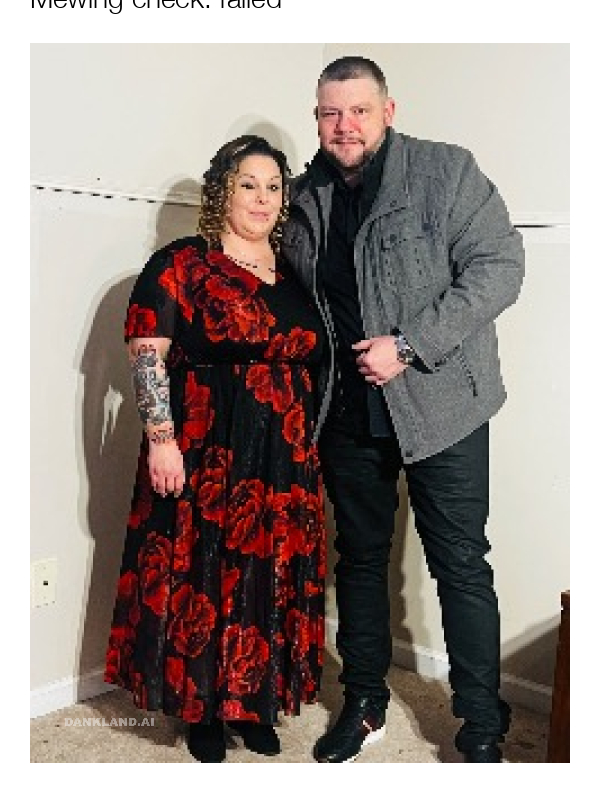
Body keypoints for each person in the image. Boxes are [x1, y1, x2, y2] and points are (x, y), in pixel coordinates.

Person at [281, 56, 525, 763]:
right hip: (347, 414)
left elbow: (500, 266)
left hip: (444, 404)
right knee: (359, 559)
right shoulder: (302, 199)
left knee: (460, 562)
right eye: (331, 113)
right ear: (316, 118)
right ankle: (364, 703)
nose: (345, 125)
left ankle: (481, 720)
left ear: (388, 111)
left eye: (359, 110)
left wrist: (410, 345)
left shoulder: (446, 171)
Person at [104, 135, 328, 763]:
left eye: (273, 187)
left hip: (284, 458)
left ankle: (253, 702)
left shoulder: (296, 271)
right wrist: (161, 440)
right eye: (247, 185)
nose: (262, 198)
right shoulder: (182, 262)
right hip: (207, 448)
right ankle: (202, 709)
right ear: (221, 192)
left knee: (267, 575)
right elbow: (147, 356)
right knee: (203, 571)